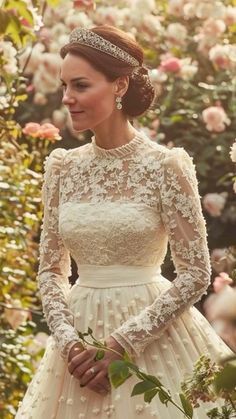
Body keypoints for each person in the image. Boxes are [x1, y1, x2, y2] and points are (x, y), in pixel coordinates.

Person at [16, 25, 232, 419]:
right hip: (77, 348)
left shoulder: (166, 166)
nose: (67, 98)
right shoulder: (62, 167)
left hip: (154, 339)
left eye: (80, 85)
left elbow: (196, 273)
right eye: (64, 86)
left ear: (119, 85)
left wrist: (121, 345)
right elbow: (50, 270)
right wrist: (70, 346)